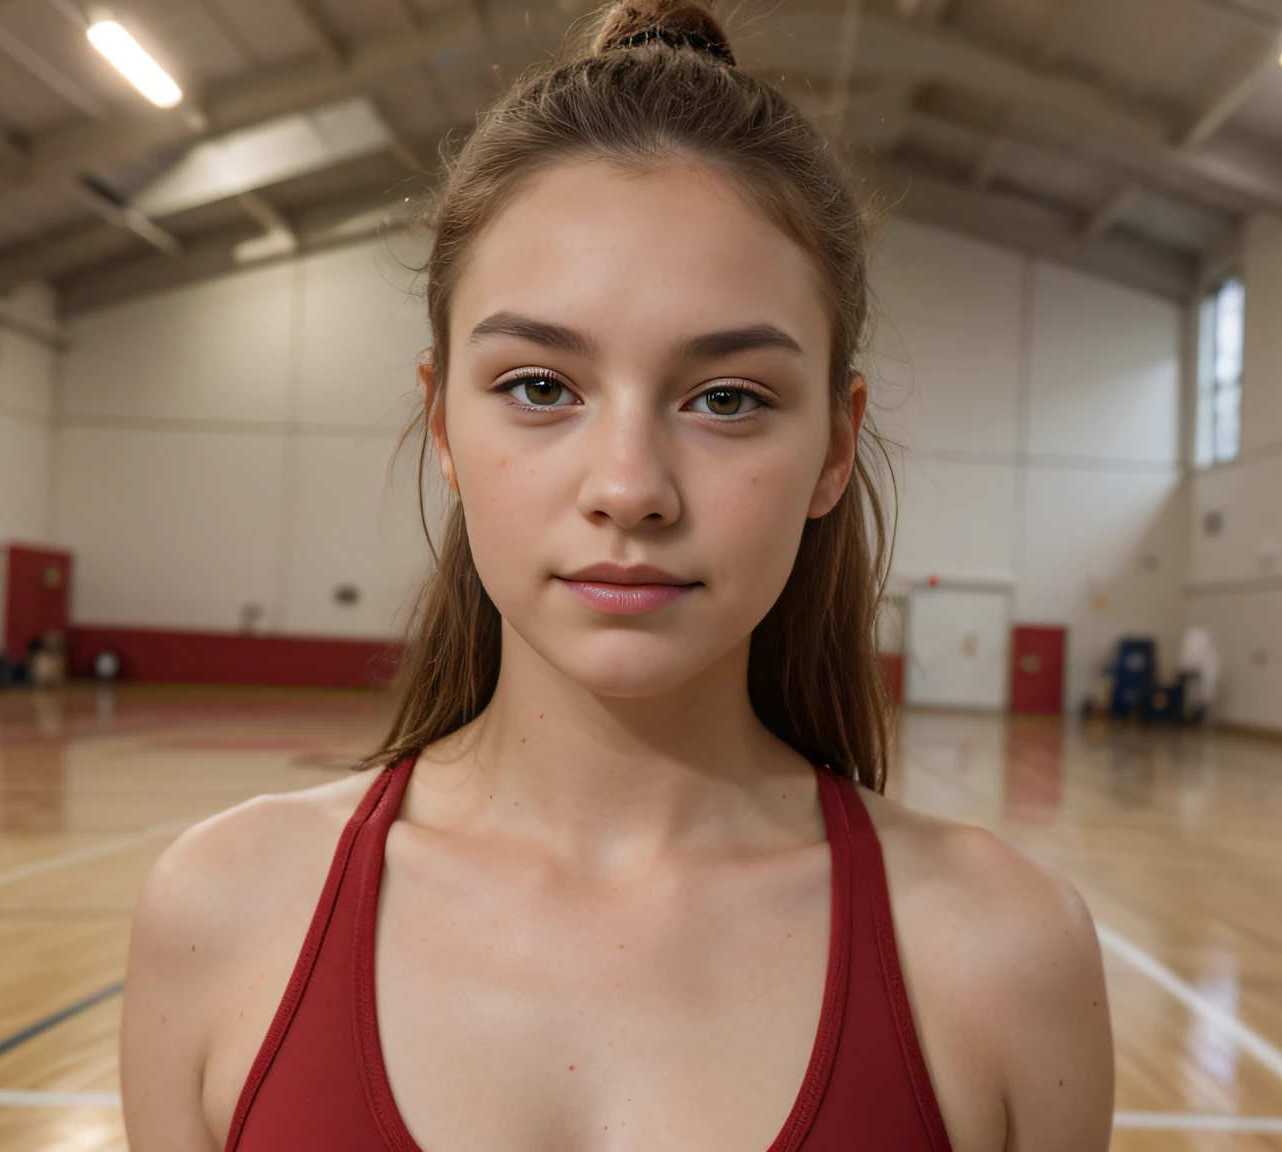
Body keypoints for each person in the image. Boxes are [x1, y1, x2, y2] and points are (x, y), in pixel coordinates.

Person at [120, 2, 1114, 1148]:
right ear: (441, 422)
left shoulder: (1000, 954)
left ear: (835, 446)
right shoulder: (226, 911)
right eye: (541, 386)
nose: (631, 485)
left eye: (727, 398)